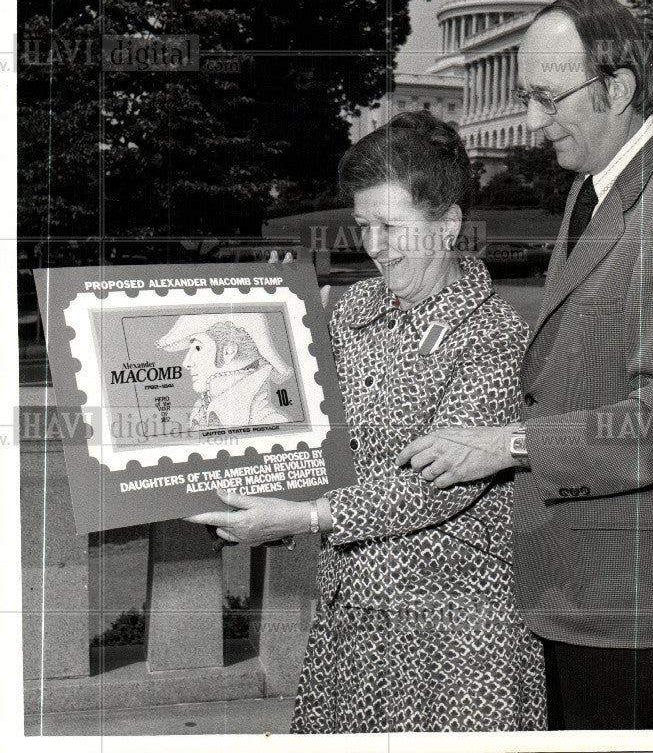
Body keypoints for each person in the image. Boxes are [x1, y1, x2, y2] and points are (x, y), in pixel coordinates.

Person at [399, 0, 653, 731]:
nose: (530, 122)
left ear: (617, 89)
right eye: (526, 96)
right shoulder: (595, 185)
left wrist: (508, 445)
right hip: (580, 568)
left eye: (547, 98)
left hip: (633, 588)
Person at [189, 111, 547, 733]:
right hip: (351, 622)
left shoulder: (493, 334)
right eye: (363, 226)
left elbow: (433, 480)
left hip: (455, 637)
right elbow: (299, 422)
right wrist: (262, 314)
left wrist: (301, 517)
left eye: (391, 226)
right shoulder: (354, 308)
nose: (374, 245)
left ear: (448, 225)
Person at [157, 313, 293, 429]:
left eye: (198, 348)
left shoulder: (269, 422)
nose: (186, 363)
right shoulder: (200, 412)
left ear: (229, 352)